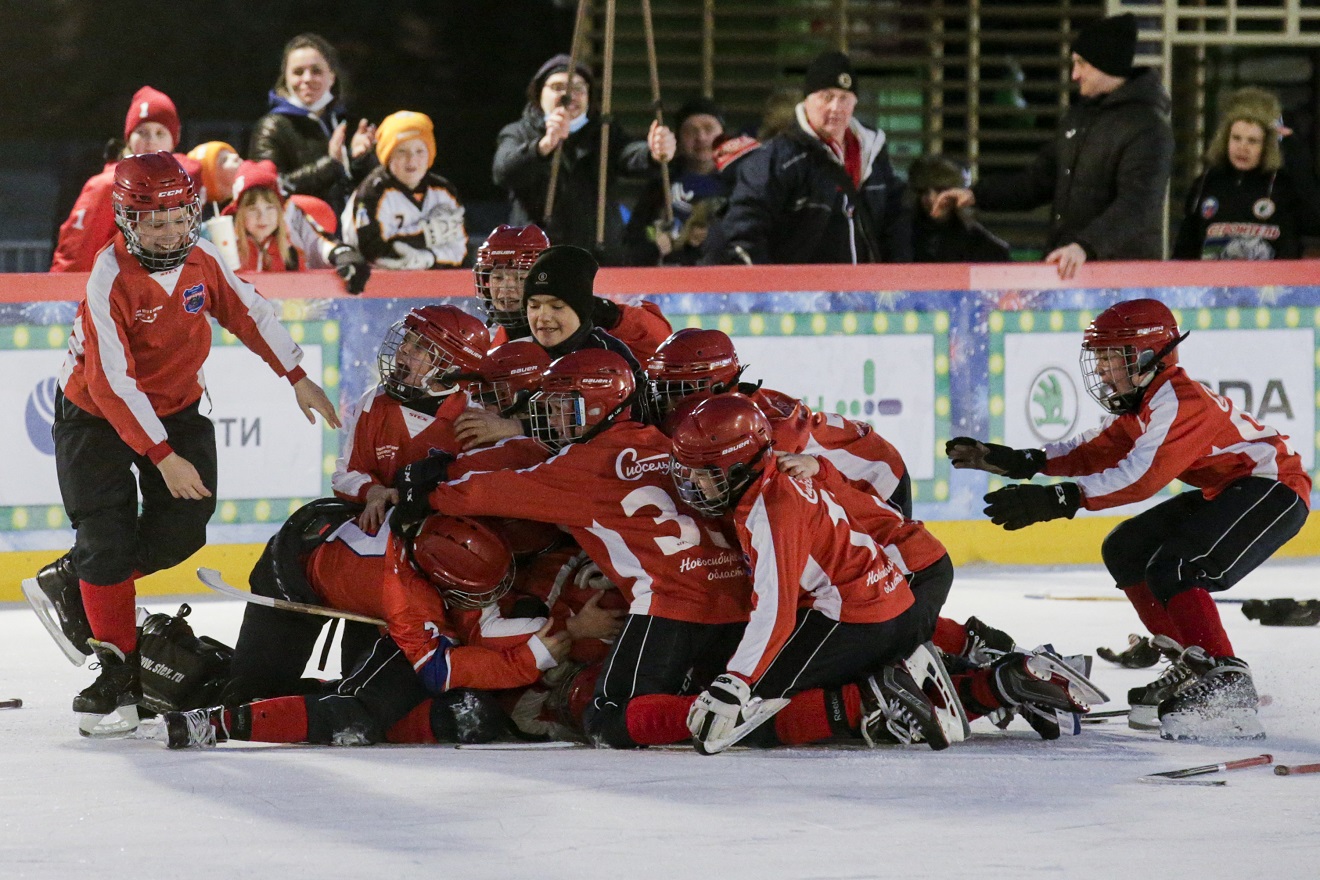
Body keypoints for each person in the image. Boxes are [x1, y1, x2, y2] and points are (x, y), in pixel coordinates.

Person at [20, 152, 340, 738]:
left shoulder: (203, 257)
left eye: (177, 218)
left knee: (185, 527)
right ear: (126, 220)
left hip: (177, 405)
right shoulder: (107, 277)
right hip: (94, 415)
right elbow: (111, 384)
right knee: (107, 535)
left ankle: (77, 579)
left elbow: (249, 313)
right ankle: (114, 674)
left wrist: (298, 376)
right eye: (153, 221)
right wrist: (162, 455)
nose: (169, 232)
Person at [946, 298, 1310, 740]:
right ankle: (1191, 663)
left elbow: (1141, 477)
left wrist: (1059, 499)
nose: (1100, 370)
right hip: (1234, 487)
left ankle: (1226, 684)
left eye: (1109, 357)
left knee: (1176, 566)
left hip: (1275, 489)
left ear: (1146, 355)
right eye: (1098, 358)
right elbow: (1095, 448)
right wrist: (1018, 460)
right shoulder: (1145, 403)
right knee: (1125, 547)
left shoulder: (1179, 401)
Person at [671, 395, 1102, 752]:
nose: (691, 481)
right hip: (895, 579)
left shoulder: (770, 505)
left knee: (760, 712)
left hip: (889, 582)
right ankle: (996, 676)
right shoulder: (790, 472)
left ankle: (890, 693)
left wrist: (737, 683)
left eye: (703, 470)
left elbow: (777, 609)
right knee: (856, 660)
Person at [162, 514, 567, 748]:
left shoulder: (440, 520)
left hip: (336, 559)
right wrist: (530, 659)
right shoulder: (408, 599)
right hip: (289, 576)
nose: (489, 598)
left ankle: (247, 708)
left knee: (358, 700)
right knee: (287, 699)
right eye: (474, 594)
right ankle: (210, 713)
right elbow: (438, 671)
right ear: (440, 584)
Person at [932, 13, 1173, 278]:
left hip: (1121, 280)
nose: (1075, 74)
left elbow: (1137, 206)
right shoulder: (1078, 118)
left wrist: (1085, 247)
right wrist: (977, 194)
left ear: (1107, 64)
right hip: (1068, 270)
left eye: (1082, 64)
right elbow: (1037, 182)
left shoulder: (1149, 128)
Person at [453, 244, 671, 450]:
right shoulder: (518, 352)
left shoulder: (610, 358)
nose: (543, 317)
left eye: (557, 307)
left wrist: (516, 428)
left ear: (582, 310)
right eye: (534, 306)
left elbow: (609, 433)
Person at [717, 51, 912, 264]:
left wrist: (895, 283)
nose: (835, 108)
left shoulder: (873, 155)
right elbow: (744, 231)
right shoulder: (779, 158)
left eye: (844, 98)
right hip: (800, 294)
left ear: (854, 104)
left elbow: (895, 226)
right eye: (826, 97)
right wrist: (771, 292)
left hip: (864, 293)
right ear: (807, 100)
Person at [492, 54, 676, 262]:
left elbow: (629, 155)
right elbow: (503, 172)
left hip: (597, 258)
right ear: (538, 94)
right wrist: (544, 145)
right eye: (558, 87)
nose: (569, 95)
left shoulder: (604, 132)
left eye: (579, 89)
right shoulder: (519, 132)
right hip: (536, 260)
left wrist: (653, 153)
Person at [332, 304, 490, 534]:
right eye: (407, 339)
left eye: (419, 347)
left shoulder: (473, 419)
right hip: (382, 535)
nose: (403, 349)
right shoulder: (373, 402)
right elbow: (346, 472)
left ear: (450, 369)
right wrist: (372, 491)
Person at [50, 86, 201, 273]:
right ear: (129, 139)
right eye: (142, 132)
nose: (151, 141)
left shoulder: (180, 189)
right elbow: (74, 259)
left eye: (160, 133)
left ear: (174, 141)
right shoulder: (106, 187)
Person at [1173, 87, 1320, 260]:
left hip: (1270, 286)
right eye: (1236, 138)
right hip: (1214, 285)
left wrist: (1296, 153)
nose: (1242, 148)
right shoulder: (1207, 182)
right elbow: (1184, 250)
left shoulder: (1284, 186)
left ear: (1266, 146)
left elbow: (1315, 222)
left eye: (1252, 141)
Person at [248, 33, 376, 215]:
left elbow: (360, 191)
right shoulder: (272, 127)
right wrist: (330, 165)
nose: (307, 79)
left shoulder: (343, 122)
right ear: (286, 78)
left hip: (345, 234)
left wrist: (360, 161)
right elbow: (268, 189)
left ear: (332, 77)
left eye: (316, 71)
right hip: (299, 237)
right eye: (298, 72)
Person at [341, 111, 468, 269]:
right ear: (387, 156)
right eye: (401, 151)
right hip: (377, 285)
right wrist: (425, 236)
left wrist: (429, 258)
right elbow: (372, 250)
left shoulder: (444, 191)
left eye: (420, 151)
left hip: (436, 285)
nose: (411, 159)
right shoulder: (372, 192)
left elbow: (461, 250)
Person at [623, 97, 729, 266]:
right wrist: (654, 242)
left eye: (709, 129)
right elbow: (637, 234)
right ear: (678, 139)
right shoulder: (661, 183)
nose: (701, 137)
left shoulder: (739, 182)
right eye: (691, 131)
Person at [907, 155, 1011, 263]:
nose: (931, 199)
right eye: (923, 191)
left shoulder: (981, 243)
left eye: (941, 190)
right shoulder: (903, 236)